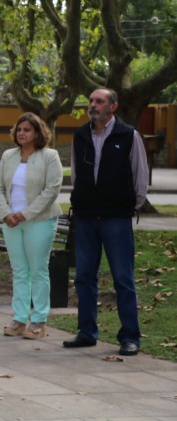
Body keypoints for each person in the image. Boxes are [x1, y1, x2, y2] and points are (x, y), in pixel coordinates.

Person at [63, 88, 148, 356]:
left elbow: (140, 176)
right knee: (84, 277)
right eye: (90, 100)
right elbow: (76, 174)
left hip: (116, 218)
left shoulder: (128, 135)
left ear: (113, 106)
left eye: (99, 101)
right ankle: (87, 332)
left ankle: (130, 337)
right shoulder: (80, 135)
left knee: (123, 279)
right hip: (86, 217)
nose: (93, 105)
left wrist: (128, 206)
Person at [0, 113, 63, 339]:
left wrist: (24, 214)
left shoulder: (50, 156)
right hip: (11, 222)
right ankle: (19, 318)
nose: (22, 133)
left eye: (27, 130)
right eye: (19, 129)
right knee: (19, 270)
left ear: (38, 133)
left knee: (38, 271)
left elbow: (52, 190)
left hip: (39, 221)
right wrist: (6, 213)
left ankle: (39, 320)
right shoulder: (8, 155)